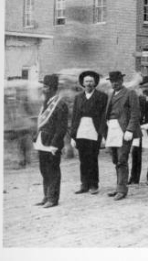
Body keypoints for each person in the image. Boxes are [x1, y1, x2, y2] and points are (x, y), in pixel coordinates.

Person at [102, 71, 141, 201]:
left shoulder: (130, 93)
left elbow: (135, 113)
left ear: (122, 81)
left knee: (122, 159)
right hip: (112, 129)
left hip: (123, 130)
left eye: (117, 80)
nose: (115, 83)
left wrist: (130, 130)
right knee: (115, 159)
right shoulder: (111, 94)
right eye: (112, 81)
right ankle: (118, 186)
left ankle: (122, 189)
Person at [34, 74, 69, 208]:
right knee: (44, 170)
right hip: (42, 141)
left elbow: (61, 127)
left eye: (46, 87)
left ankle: (53, 198)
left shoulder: (60, 104)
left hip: (52, 144)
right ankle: (46, 196)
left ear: (53, 88)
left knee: (53, 170)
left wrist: (55, 144)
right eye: (43, 86)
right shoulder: (45, 103)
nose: (43, 89)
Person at [70, 70, 107, 195]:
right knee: (83, 158)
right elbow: (75, 116)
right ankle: (84, 184)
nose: (89, 84)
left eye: (91, 81)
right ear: (83, 83)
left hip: (94, 130)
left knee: (92, 158)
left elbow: (103, 116)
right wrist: (73, 136)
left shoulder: (102, 96)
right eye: (86, 81)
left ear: (95, 83)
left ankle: (93, 184)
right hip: (81, 130)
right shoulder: (78, 98)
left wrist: (102, 134)